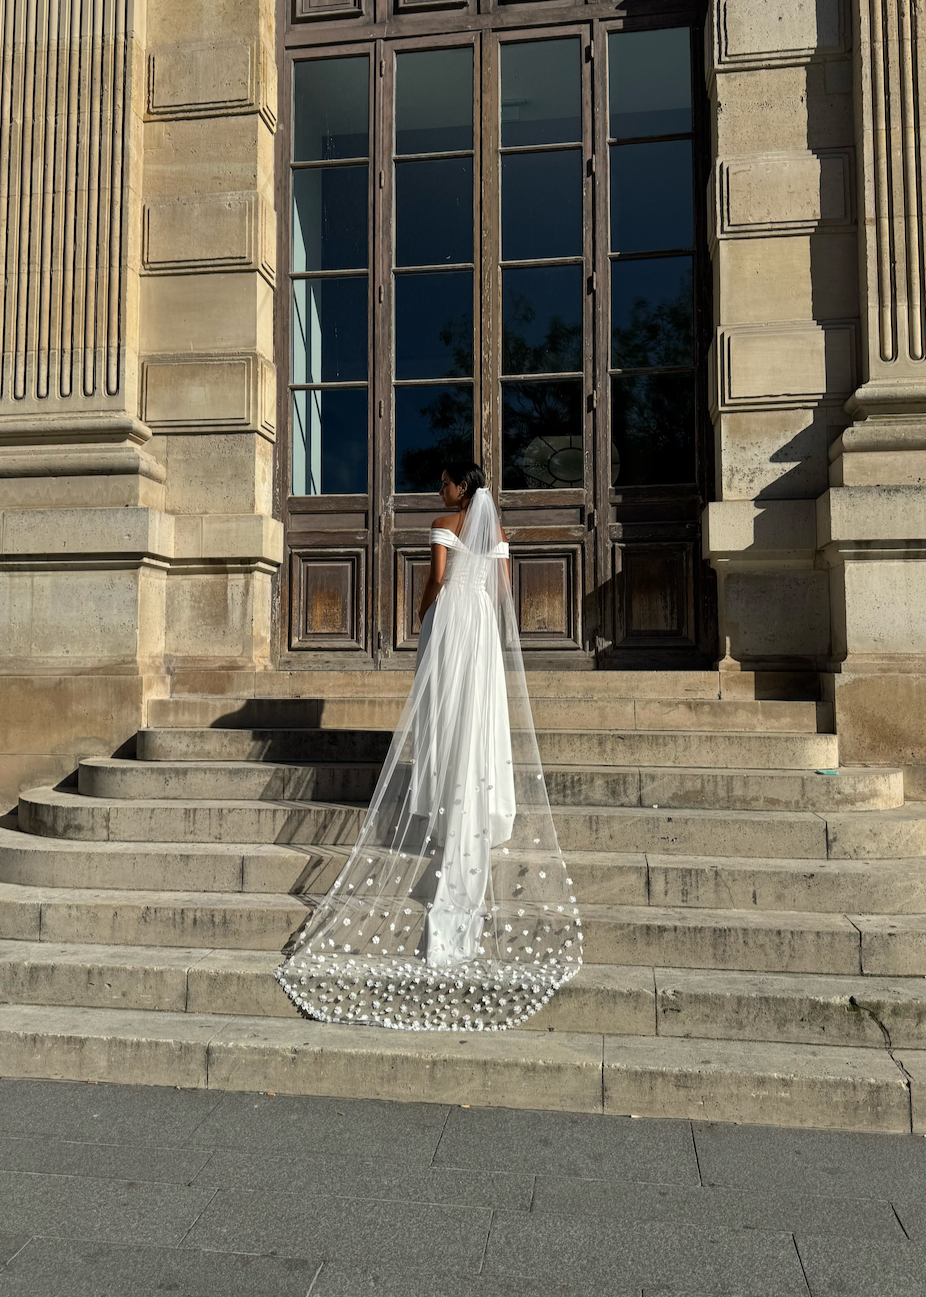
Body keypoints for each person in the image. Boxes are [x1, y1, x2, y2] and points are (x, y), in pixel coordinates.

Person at [276, 462, 581, 1031]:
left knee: (444, 718)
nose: (438, 489)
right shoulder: (499, 536)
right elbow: (500, 592)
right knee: (477, 717)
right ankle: (475, 804)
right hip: (482, 630)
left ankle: (445, 802)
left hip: (450, 624)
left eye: (444, 481)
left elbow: (436, 580)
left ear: (460, 488)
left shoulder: (443, 522)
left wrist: (425, 618)